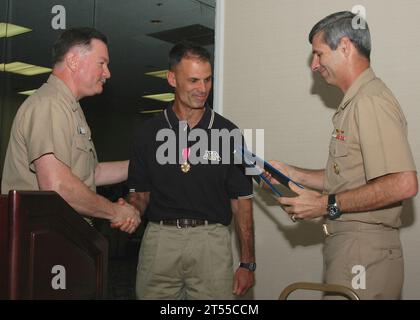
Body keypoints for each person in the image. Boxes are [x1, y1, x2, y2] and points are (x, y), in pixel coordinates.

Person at [266, 11, 418, 299]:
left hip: (363, 250)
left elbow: (403, 183)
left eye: (318, 54)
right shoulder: (358, 102)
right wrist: (290, 173)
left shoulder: (370, 101)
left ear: (345, 47)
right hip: (354, 247)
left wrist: (326, 205)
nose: (314, 65)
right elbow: (350, 178)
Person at [127, 42, 255, 299]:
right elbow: (140, 195)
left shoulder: (229, 133)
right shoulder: (147, 133)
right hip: (160, 241)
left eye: (207, 80)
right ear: (172, 79)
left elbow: (242, 204)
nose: (203, 89)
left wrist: (247, 263)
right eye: (194, 80)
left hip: (211, 241)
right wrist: (130, 210)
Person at [1, 27, 140, 234]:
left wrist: (145, 165)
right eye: (102, 63)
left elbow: (93, 173)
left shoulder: (70, 108)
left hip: (61, 237)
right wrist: (114, 211)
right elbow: (58, 185)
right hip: (41, 240)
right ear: (74, 61)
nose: (107, 73)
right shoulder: (49, 105)